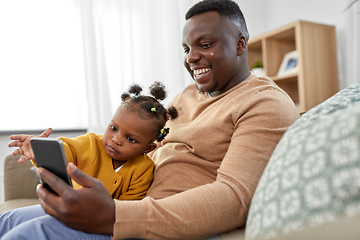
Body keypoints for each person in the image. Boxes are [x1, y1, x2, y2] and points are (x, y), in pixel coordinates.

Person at [0, 0, 300, 239]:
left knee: (30, 234)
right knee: (8, 220)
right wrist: (68, 155)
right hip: (127, 201)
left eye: (205, 44)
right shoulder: (188, 95)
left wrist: (116, 217)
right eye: (187, 48)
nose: (191, 57)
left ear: (240, 44)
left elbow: (235, 199)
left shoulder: (264, 103)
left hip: (156, 221)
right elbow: (146, 146)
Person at [6, 81, 178, 200]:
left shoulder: (144, 169)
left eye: (130, 139)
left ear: (147, 148)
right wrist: (41, 150)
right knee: (8, 221)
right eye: (114, 128)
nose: (116, 140)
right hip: (65, 206)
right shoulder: (90, 143)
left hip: (98, 223)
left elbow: (129, 209)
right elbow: (67, 151)